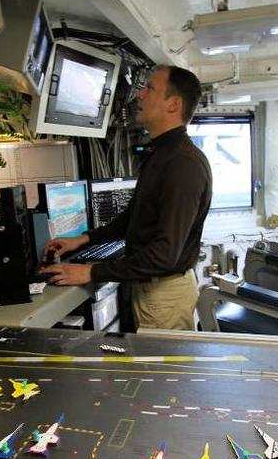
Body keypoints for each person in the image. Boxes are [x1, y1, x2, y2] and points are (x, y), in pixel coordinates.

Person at [40, 65, 212, 331]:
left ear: (173, 104)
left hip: (163, 296)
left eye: (149, 89)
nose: (140, 95)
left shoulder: (182, 164)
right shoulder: (162, 155)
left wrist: (91, 271)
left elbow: (164, 255)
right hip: (151, 290)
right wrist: (82, 240)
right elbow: (132, 219)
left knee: (157, 372)